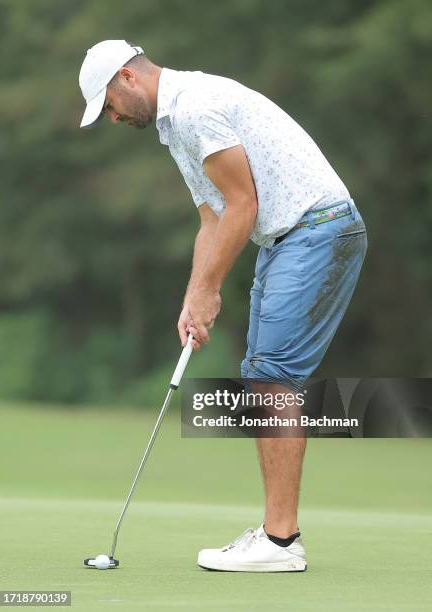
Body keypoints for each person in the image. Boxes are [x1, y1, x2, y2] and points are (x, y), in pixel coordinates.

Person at [78, 40, 367, 572]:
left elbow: (244, 203)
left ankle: (280, 544)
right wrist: (195, 295)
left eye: (110, 106)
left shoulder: (192, 107)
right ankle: (277, 536)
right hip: (286, 239)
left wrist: (212, 289)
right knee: (262, 374)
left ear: (127, 78)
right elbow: (212, 217)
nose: (114, 118)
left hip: (317, 229)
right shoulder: (172, 124)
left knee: (271, 375)